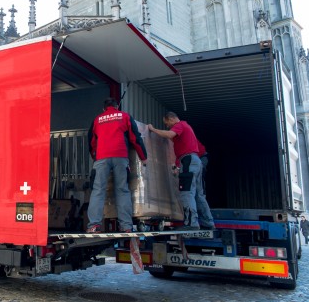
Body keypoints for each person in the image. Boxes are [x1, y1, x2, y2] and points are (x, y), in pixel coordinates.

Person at [86, 97, 148, 233]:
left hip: (101, 158)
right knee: (122, 190)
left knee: (98, 191)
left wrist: (95, 157)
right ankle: (126, 226)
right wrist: (143, 157)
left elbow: (91, 140)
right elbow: (135, 138)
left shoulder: (97, 119)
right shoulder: (125, 116)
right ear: (116, 107)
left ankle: (94, 225)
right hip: (121, 157)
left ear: (104, 108)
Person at [148, 112, 214, 231]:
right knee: (199, 195)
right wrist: (178, 166)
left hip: (188, 160)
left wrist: (153, 129)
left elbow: (169, 134)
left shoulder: (180, 125)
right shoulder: (186, 127)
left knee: (186, 192)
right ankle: (208, 223)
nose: (168, 126)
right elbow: (181, 147)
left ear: (172, 118)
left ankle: (191, 223)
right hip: (194, 161)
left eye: (167, 123)